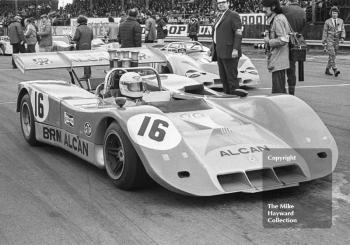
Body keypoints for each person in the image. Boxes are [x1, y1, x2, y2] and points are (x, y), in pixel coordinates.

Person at [211, 0, 243, 95]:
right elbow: (217, 34)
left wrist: (235, 49)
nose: (220, 4)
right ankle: (227, 96)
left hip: (230, 52)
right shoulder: (219, 16)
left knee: (231, 78)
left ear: (228, 3)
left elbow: (238, 33)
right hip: (220, 51)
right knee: (223, 78)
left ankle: (235, 99)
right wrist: (212, 48)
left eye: (223, 2)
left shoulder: (233, 15)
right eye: (219, 3)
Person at [262, 0, 291, 94]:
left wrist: (268, 41)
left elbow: (283, 40)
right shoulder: (278, 18)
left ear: (273, 7)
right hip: (279, 59)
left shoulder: (277, 19)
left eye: (266, 7)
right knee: (280, 90)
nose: (263, 9)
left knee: (278, 92)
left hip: (278, 60)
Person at [282, 0, 306, 95]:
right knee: (292, 69)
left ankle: (282, 92)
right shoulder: (302, 11)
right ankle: (292, 93)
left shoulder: (285, 9)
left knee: (281, 69)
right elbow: (304, 27)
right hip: (296, 42)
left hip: (284, 42)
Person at [322, 6, 346, 77]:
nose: (334, 14)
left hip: (337, 40)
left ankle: (327, 69)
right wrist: (324, 41)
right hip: (329, 39)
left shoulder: (341, 21)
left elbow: (343, 29)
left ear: (338, 14)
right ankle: (335, 69)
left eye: (335, 13)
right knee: (332, 54)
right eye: (333, 13)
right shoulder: (327, 21)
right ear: (331, 13)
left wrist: (342, 37)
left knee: (333, 56)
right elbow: (325, 31)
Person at [72, 15, 94, 80]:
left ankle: (86, 75)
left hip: (81, 45)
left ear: (79, 21)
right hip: (88, 45)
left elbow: (76, 37)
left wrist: (72, 39)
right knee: (88, 59)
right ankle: (88, 73)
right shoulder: (89, 28)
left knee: (84, 60)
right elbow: (91, 37)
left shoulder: (78, 28)